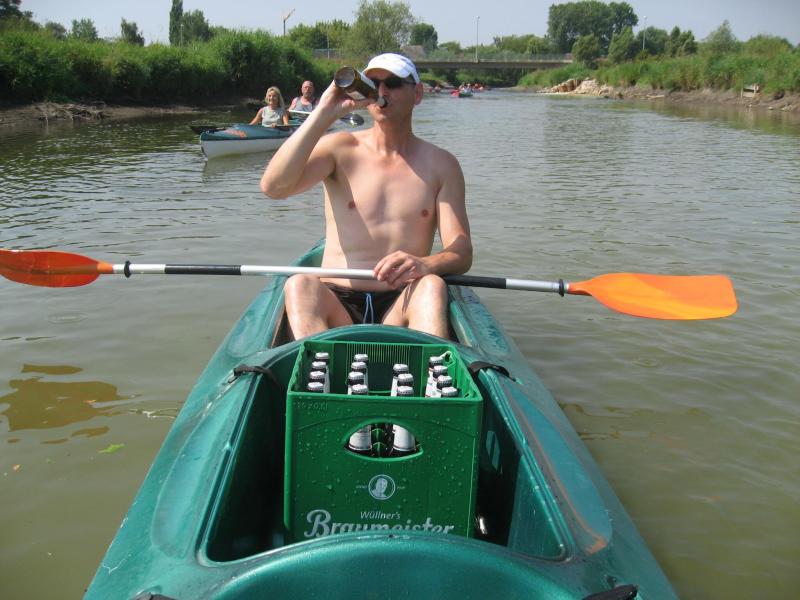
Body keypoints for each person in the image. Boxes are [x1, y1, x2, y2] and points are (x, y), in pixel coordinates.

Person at [260, 53, 472, 340]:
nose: (382, 91)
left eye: (393, 83)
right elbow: (273, 187)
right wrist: (324, 113)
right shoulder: (339, 148)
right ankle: (319, 365)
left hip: (402, 302)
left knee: (432, 285)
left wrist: (426, 264)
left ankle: (426, 366)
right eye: (373, 84)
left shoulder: (442, 165)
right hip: (337, 299)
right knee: (299, 285)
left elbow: (461, 253)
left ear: (418, 93)